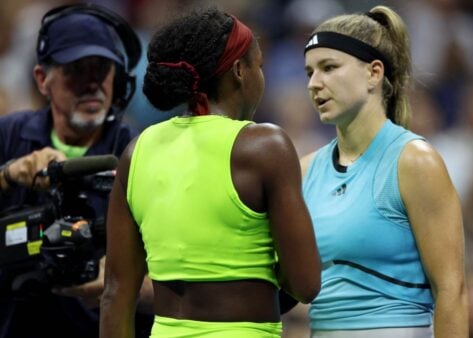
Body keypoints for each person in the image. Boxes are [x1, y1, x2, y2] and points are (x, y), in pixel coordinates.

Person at [100, 7, 321, 338]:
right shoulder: (265, 147)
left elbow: (116, 293)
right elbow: (305, 284)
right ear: (238, 71)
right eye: (258, 65)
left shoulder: (137, 151)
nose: (263, 76)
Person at [300, 5, 468, 338]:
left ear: (374, 74)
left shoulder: (415, 162)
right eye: (309, 73)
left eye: (329, 68)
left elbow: (452, 291)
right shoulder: (304, 170)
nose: (315, 84)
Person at [0, 4, 153, 338]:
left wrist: (120, 285)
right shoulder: (10, 135)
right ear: (42, 79)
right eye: (76, 70)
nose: (92, 83)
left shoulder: (140, 152)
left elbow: (180, 279)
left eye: (102, 69)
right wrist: (8, 174)